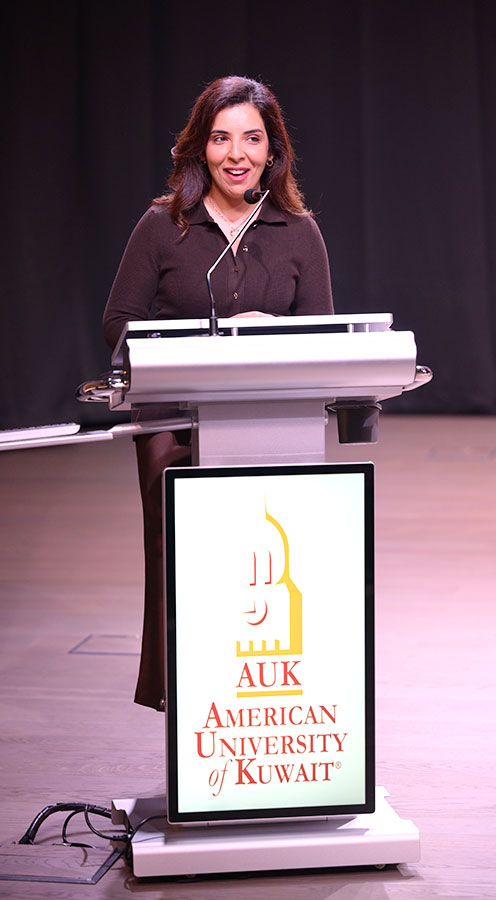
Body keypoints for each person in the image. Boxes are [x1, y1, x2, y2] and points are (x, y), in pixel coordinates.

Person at [103, 76, 334, 711]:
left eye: (252, 139)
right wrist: (200, 343)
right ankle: (190, 704)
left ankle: (268, 706)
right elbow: (118, 322)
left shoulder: (298, 231)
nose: (237, 154)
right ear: (200, 150)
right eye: (222, 138)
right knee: (186, 570)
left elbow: (324, 338)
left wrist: (269, 336)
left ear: (272, 150)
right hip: (175, 426)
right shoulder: (162, 226)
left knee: (269, 573)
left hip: (274, 428)